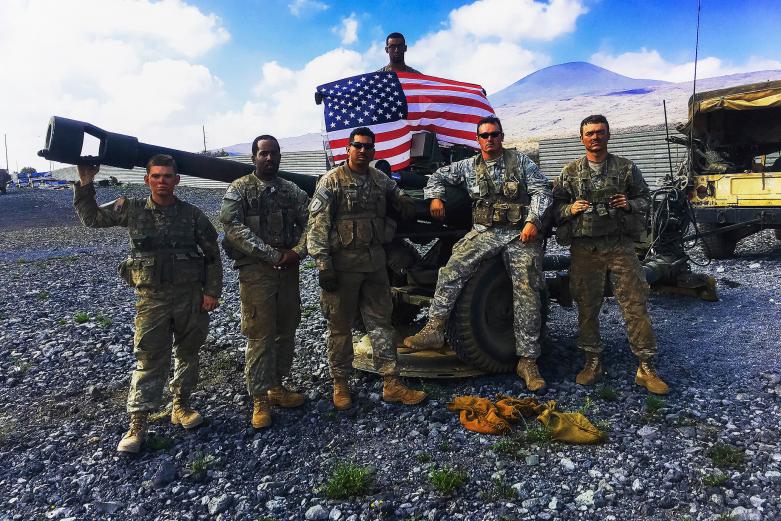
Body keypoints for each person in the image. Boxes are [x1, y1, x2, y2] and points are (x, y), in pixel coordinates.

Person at [73, 154, 223, 453]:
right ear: (147, 180)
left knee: (188, 354)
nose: (162, 181)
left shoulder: (193, 216)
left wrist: (212, 292)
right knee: (150, 359)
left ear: (177, 180)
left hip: (190, 297)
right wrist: (85, 182)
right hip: (151, 299)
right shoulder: (132, 209)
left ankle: (181, 406)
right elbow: (91, 219)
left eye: (167, 176)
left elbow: (212, 255)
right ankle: (138, 423)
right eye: (156, 176)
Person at [403, 116, 552, 391]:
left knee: (527, 288)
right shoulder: (469, 165)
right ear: (478, 139)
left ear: (502, 136)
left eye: (494, 134)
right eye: (484, 135)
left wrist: (533, 221)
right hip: (485, 231)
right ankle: (435, 328)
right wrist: (435, 196)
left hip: (519, 232)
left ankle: (528, 360)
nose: (490, 139)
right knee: (452, 268)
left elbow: (542, 192)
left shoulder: (521, 163)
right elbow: (436, 176)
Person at [307, 127, 426, 410]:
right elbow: (317, 226)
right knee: (339, 327)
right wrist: (323, 264)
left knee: (381, 324)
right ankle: (341, 383)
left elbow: (399, 198)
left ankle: (392, 383)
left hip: (374, 266)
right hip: (342, 267)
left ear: (373, 151)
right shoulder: (332, 182)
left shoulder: (379, 179)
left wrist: (407, 204)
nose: (363, 151)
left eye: (368, 147)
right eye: (357, 146)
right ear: (348, 149)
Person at [552, 114, 669, 395]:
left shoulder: (626, 168)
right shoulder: (569, 173)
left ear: (608, 135)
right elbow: (553, 210)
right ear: (582, 138)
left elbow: (646, 200)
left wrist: (628, 204)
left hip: (619, 246)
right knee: (587, 306)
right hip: (585, 249)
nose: (595, 137)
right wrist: (571, 210)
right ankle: (592, 361)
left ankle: (646, 366)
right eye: (590, 133)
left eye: (600, 132)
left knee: (635, 303)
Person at [220, 135, 309, 429]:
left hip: (287, 269)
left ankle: (277, 387)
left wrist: (298, 251)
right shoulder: (239, 190)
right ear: (253, 158)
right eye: (263, 154)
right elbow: (233, 228)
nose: (269, 158)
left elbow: (313, 221)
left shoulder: (291, 190)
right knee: (260, 334)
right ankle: (259, 399)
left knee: (286, 330)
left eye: (273, 153)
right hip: (256, 272)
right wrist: (271, 254)